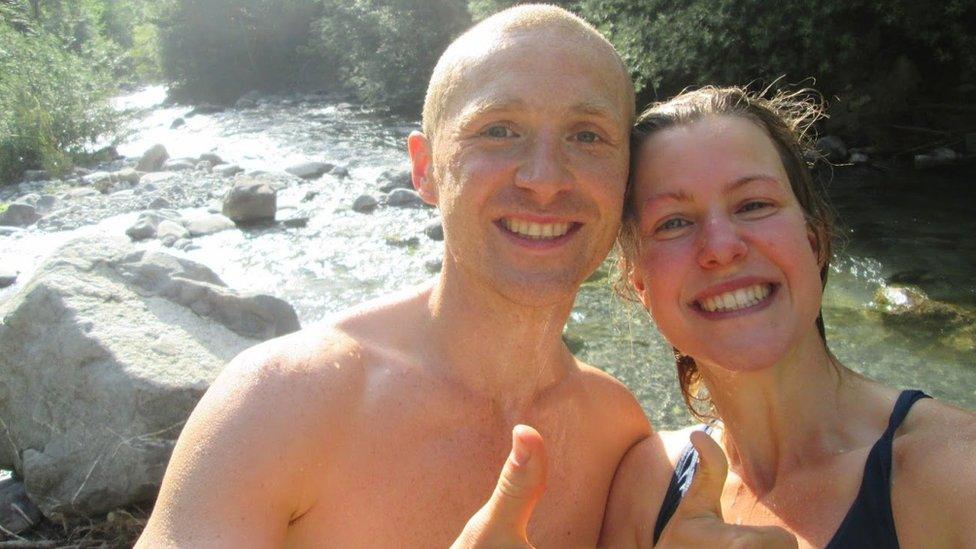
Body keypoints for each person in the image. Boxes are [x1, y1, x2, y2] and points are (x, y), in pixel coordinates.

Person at [136, 5, 654, 547]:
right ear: (425, 169)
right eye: (499, 130)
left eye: (587, 136)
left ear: (625, 176)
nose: (545, 180)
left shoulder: (614, 433)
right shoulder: (284, 404)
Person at [457, 87, 976, 548]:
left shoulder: (954, 473)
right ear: (639, 282)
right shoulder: (647, 484)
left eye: (753, 205)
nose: (721, 248)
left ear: (814, 241)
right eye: (675, 222)